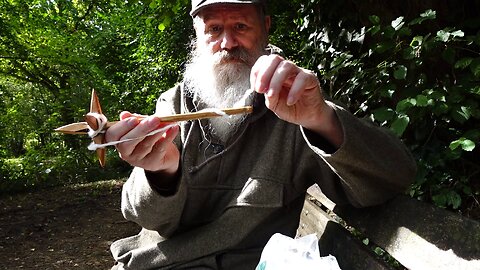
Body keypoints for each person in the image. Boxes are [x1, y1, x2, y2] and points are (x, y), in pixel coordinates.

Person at [106, 0, 417, 269]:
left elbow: (394, 178)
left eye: (241, 26)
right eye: (214, 29)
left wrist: (321, 119)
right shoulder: (172, 106)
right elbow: (144, 217)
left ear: (265, 27)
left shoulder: (298, 102)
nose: (227, 42)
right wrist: (162, 172)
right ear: (197, 36)